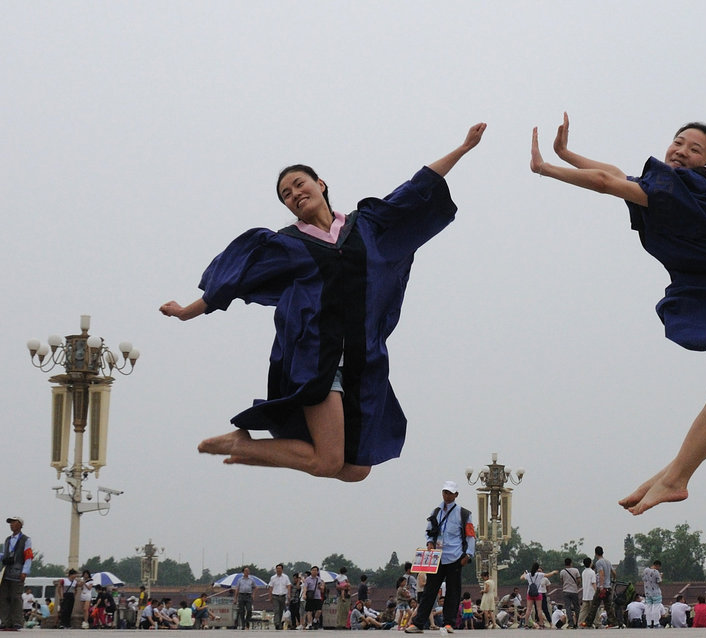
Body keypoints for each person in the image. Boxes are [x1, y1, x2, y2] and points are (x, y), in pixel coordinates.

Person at [160, 123, 487, 481]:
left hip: (363, 361)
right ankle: (242, 443)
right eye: (286, 194)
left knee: (357, 469)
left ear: (321, 184)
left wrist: (463, 148)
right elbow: (235, 277)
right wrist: (188, 311)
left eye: (299, 184)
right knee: (328, 462)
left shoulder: (365, 226)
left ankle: (254, 451)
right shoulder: (288, 245)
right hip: (317, 360)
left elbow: (413, 190)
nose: (295, 194)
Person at [531, 114, 706, 515]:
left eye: (694, 149)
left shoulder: (679, 188)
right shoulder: (676, 190)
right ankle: (674, 472)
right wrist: (567, 153)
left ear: (705, 164)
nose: (681, 150)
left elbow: (603, 182)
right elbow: (614, 174)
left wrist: (546, 168)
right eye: (678, 142)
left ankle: (676, 478)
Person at [405, 481, 476, 634]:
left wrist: (468, 554)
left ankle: (449, 623)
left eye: (450, 493)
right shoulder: (436, 512)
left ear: (456, 495)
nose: (447, 495)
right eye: (445, 492)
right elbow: (429, 531)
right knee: (429, 591)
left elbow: (470, 535)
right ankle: (418, 623)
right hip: (437, 558)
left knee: (453, 591)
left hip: (455, 556)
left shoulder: (464, 514)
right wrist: (430, 542)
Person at [0, 516, 32, 630]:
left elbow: (28, 557)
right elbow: (5, 555)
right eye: (10, 523)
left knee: (16, 598)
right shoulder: (8, 540)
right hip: (6, 572)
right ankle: (5, 621)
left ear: (20, 525)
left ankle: (17, 621)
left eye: (13, 522)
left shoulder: (26, 540)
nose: (11, 524)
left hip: (18, 572)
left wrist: (25, 571)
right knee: (3, 598)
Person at [594, 546, 617, 628]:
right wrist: (613, 580)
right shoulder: (608, 562)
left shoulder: (598, 562)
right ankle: (613, 622)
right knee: (608, 606)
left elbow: (601, 574)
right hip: (608, 587)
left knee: (594, 605)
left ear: (595, 553)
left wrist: (601, 586)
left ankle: (588, 623)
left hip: (602, 587)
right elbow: (614, 573)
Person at [268, 563, 291, 630]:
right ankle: (277, 623)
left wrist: (288, 594)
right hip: (275, 596)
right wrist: (270, 597)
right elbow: (270, 587)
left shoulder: (285, 577)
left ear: (282, 569)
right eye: (277, 569)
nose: (278, 570)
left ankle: (280, 624)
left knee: (281, 611)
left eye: (280, 569)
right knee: (276, 610)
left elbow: (288, 585)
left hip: (283, 596)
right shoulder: (273, 578)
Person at [558, 559, 580, 629]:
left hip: (566, 591)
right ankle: (578, 622)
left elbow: (562, 581)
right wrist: (576, 585)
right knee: (576, 607)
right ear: (571, 563)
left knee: (568, 607)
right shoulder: (576, 570)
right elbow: (579, 580)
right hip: (574, 591)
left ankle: (571, 623)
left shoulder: (562, 571)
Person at [642, 560, 663, 628]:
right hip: (656, 592)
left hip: (647, 592)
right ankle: (656, 623)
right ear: (657, 565)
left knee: (648, 608)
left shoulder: (645, 570)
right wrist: (661, 576)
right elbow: (659, 582)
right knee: (656, 608)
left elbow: (643, 579)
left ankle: (648, 623)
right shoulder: (656, 572)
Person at [579, 557, 598, 628]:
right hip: (591, 594)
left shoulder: (583, 572)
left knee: (583, 611)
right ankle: (598, 623)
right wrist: (597, 592)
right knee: (594, 610)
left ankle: (580, 623)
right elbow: (593, 583)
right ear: (590, 563)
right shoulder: (592, 572)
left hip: (585, 594)